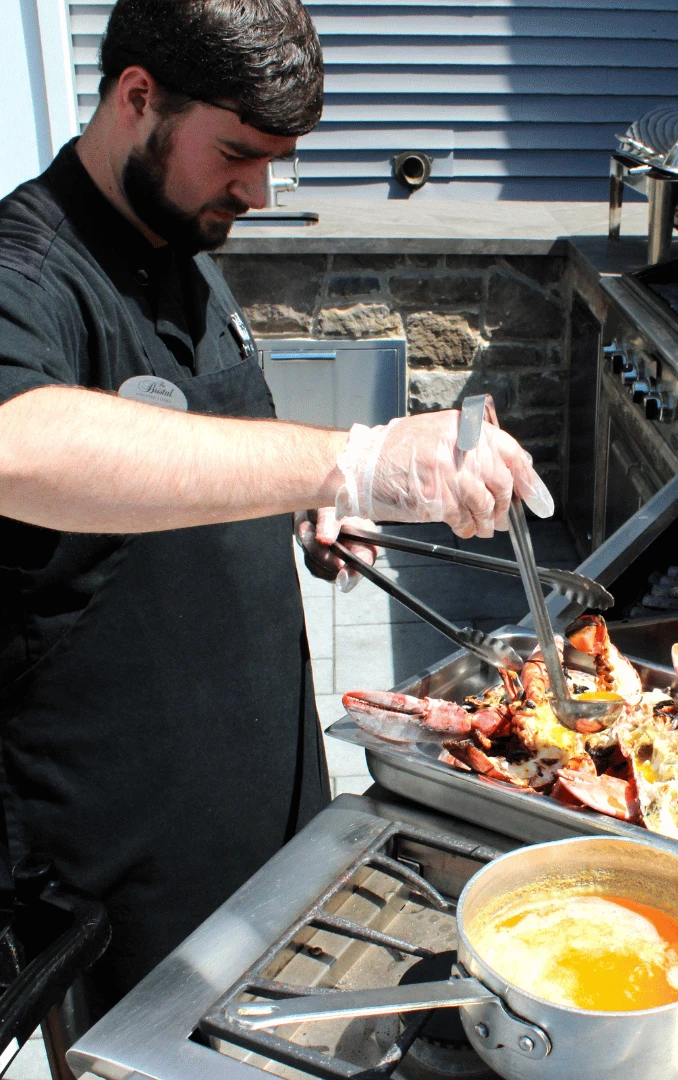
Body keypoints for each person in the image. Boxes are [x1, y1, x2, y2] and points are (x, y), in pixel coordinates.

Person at [0, 0, 552, 1014]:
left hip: (270, 781)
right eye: (240, 153)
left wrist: (301, 502)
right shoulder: (26, 266)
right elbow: (19, 445)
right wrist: (351, 457)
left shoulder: (185, 246)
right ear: (137, 97)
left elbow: (183, 458)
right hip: (121, 846)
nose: (259, 188)